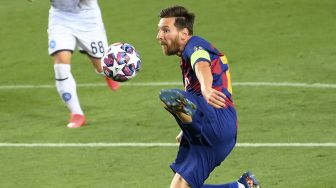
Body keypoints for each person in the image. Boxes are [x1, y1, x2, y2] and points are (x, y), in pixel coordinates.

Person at [156, 5, 260, 188]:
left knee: (170, 96)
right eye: (159, 30)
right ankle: (242, 187)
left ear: (183, 33)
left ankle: (189, 117)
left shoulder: (195, 44)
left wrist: (206, 88)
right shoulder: (186, 58)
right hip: (215, 132)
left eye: (166, 30)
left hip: (216, 120)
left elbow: (201, 63)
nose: (159, 36)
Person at [47, 0, 119, 128]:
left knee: (100, 64)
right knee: (61, 65)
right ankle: (77, 114)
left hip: (87, 18)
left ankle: (106, 72)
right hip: (60, 17)